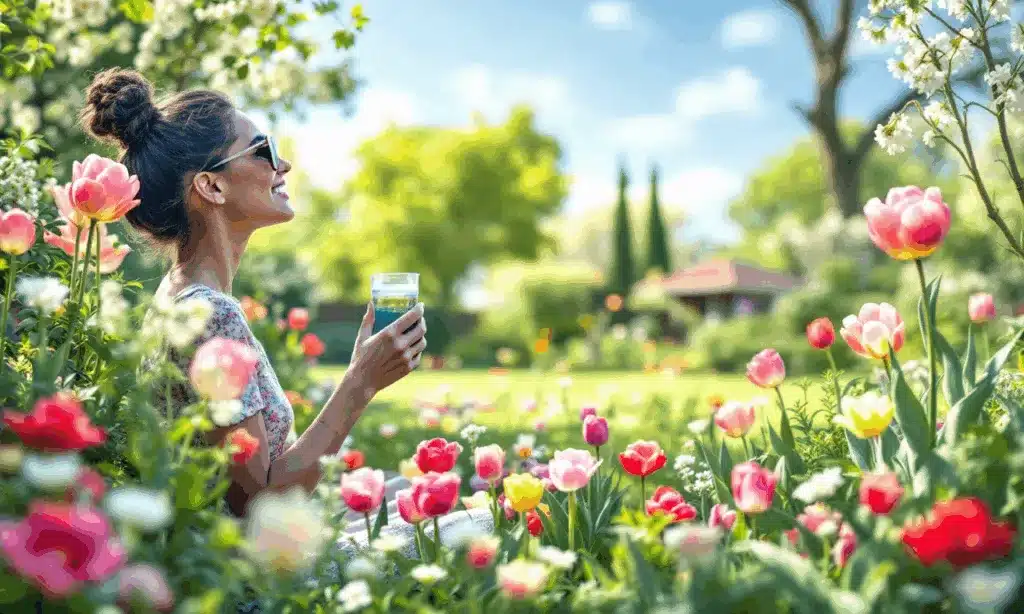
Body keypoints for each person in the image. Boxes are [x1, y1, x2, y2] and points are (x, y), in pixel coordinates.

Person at [77, 67, 435, 520]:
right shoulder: (209, 314)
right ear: (212, 186)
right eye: (264, 150)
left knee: (412, 490)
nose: (282, 166)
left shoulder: (181, 297)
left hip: (247, 550)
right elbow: (259, 506)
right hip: (255, 575)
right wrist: (360, 382)